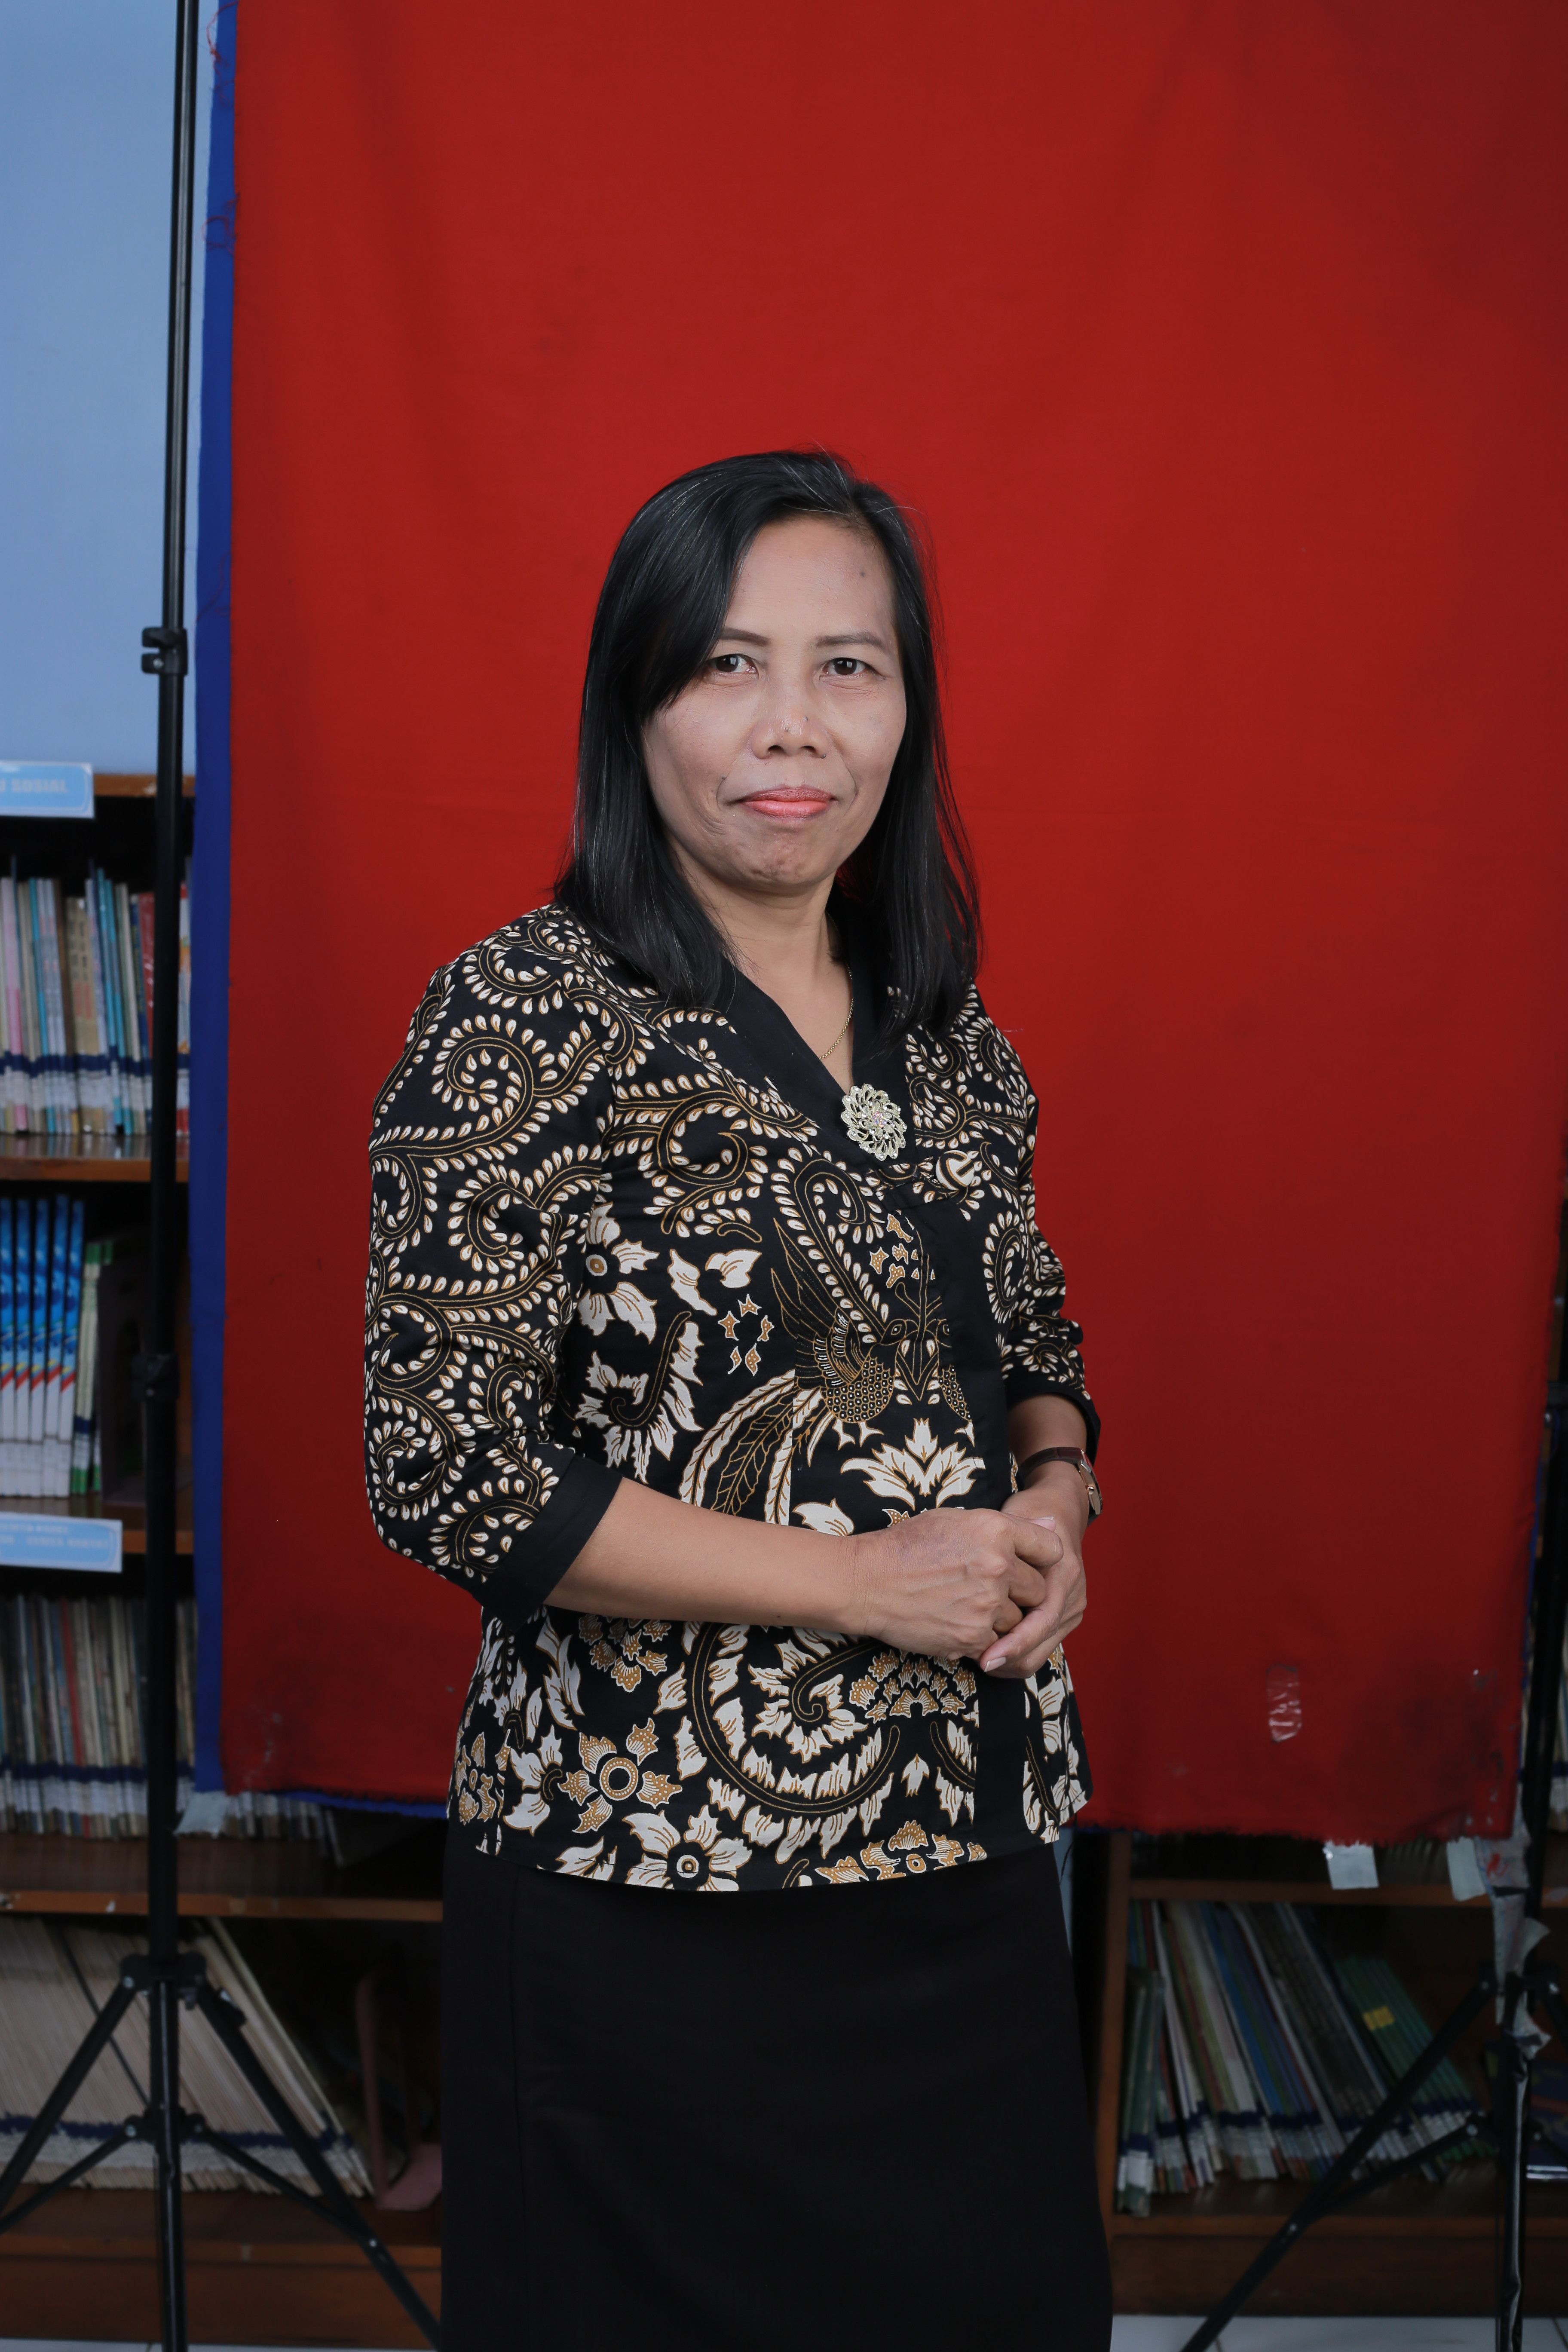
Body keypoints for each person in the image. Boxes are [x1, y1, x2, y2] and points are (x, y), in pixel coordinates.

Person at [364, 449, 1112, 2347]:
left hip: (963, 1861)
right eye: (727, 664)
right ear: (636, 706)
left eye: (849, 666)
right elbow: (447, 1472)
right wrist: (860, 1583)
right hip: (645, 1891)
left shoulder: (949, 1035)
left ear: (906, 711)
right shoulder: (521, 1015)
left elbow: (1038, 1345)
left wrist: (1055, 1498)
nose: (794, 725)